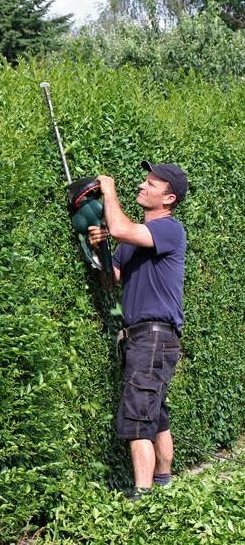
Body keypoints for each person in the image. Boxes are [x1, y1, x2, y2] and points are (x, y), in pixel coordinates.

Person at [88, 160, 188, 500]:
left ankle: (141, 497)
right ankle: (163, 485)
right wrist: (99, 248)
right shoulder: (133, 239)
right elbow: (109, 281)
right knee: (155, 412)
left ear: (169, 198)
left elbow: (119, 228)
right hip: (146, 337)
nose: (142, 187)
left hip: (155, 335)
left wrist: (109, 191)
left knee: (137, 413)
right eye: (144, 181)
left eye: (152, 184)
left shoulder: (170, 230)